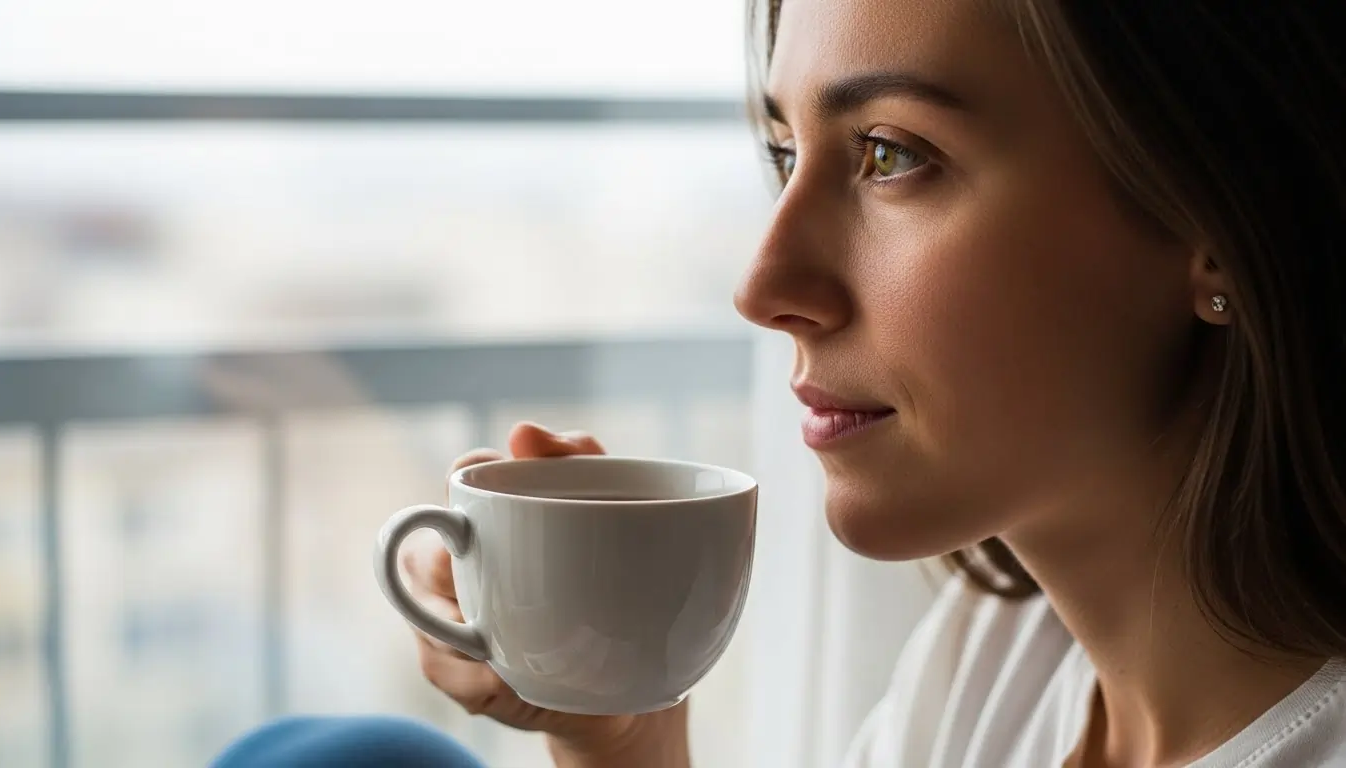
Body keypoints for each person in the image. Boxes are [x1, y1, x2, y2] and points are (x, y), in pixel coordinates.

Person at [214, 0, 1346, 765]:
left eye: (894, 154)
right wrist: (621, 734)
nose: (763, 285)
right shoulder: (1006, 653)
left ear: (1213, 215)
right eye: (781, 153)